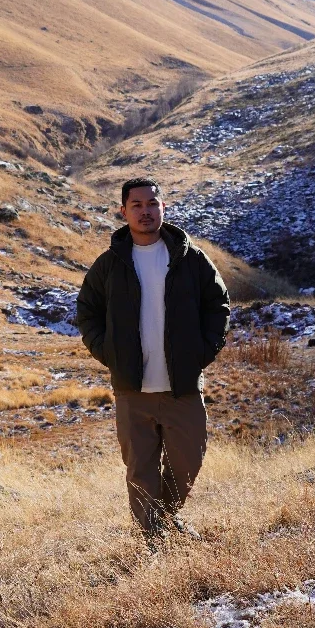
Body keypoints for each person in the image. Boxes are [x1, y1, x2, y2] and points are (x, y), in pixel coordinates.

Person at [76, 178, 230, 547]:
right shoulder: (110, 263)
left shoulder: (190, 258)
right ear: (124, 211)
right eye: (137, 205)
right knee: (140, 470)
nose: (145, 211)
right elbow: (87, 311)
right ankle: (153, 541)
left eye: (152, 204)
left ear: (164, 207)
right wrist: (109, 353)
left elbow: (218, 305)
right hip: (132, 389)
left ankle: (163, 518)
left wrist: (202, 352)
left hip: (182, 385)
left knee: (187, 461)